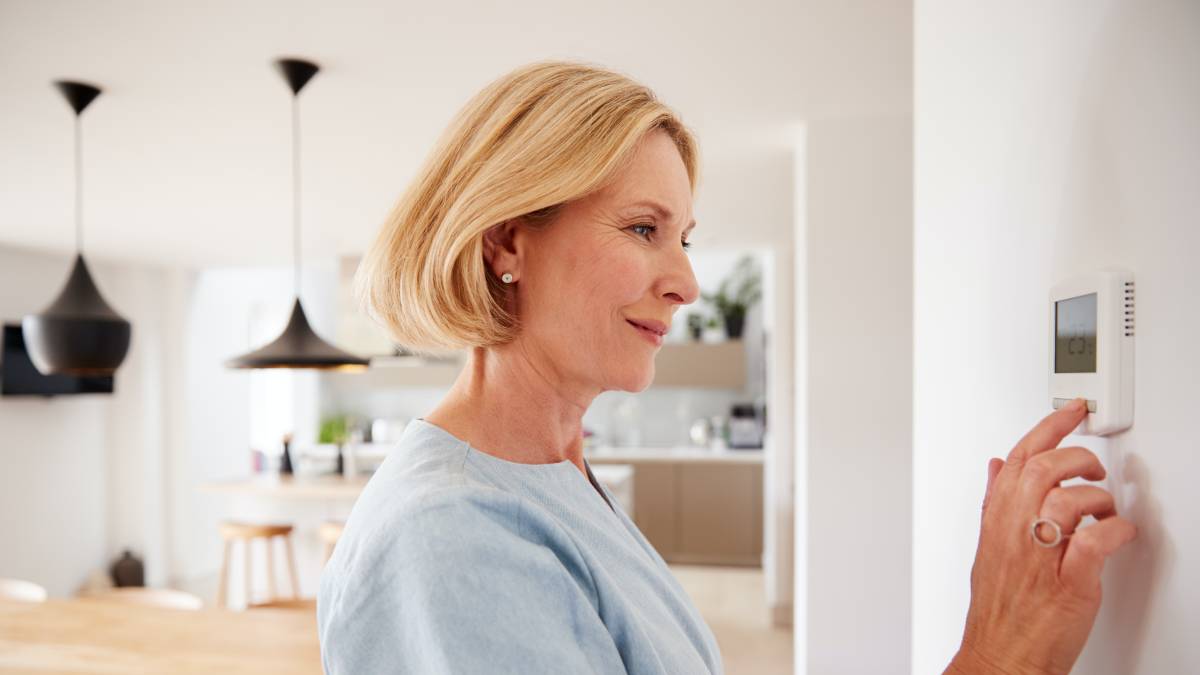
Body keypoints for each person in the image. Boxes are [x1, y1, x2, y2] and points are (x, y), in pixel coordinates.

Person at [316, 61, 1136, 674]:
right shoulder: (451, 537)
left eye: (685, 236)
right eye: (643, 228)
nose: (686, 281)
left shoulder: (552, 476)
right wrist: (994, 654)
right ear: (505, 243)